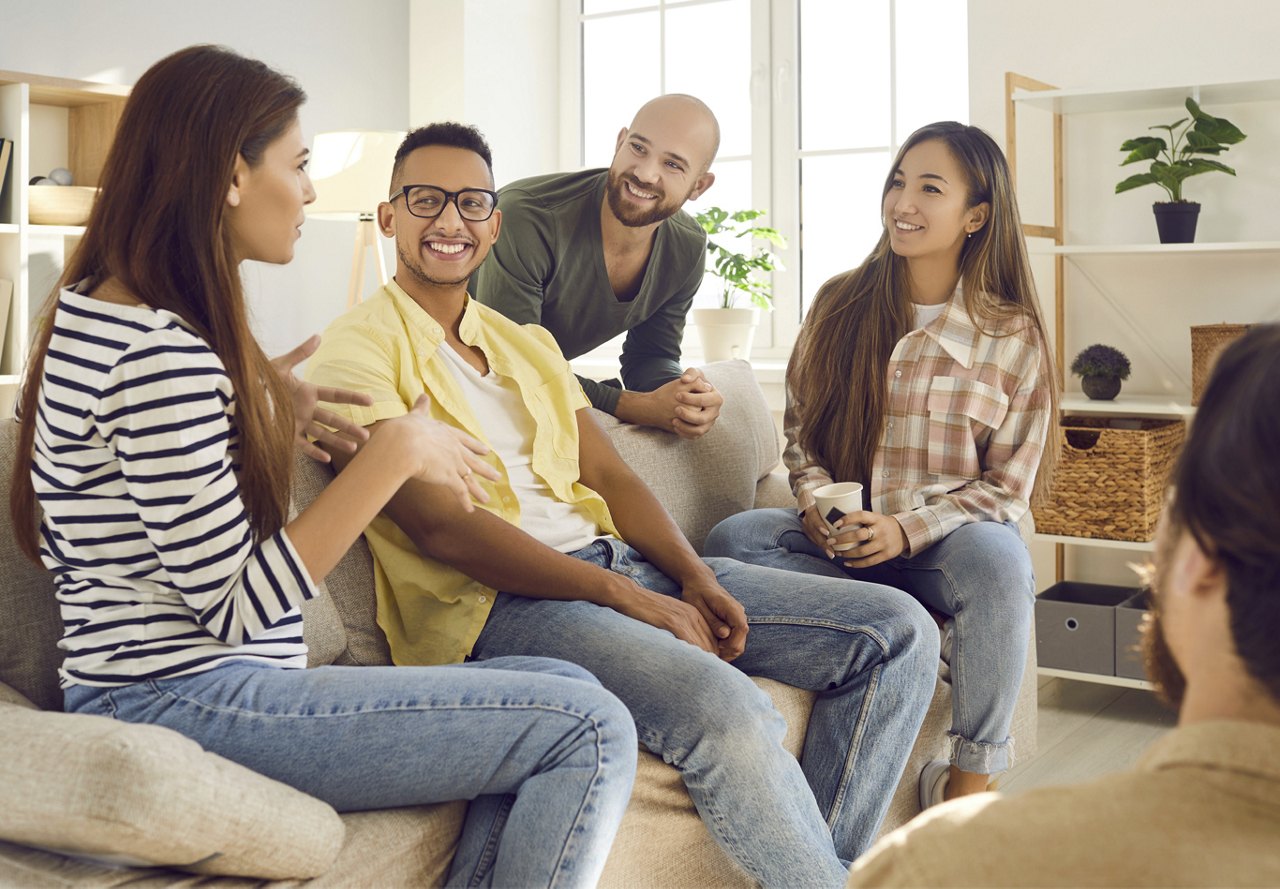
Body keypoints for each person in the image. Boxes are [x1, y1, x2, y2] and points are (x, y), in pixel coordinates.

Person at [9, 45, 638, 889]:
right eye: (298, 164)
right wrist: (391, 456)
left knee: (559, 680)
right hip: (190, 697)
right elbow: (234, 608)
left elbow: (122, 494)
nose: (309, 190)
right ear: (231, 173)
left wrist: (256, 414)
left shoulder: (94, 310)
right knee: (590, 724)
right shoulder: (162, 354)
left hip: (159, 686)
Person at [305, 121, 942, 886]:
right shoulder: (358, 347)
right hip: (502, 605)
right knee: (728, 709)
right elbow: (439, 525)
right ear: (389, 216)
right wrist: (628, 598)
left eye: (471, 202)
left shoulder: (525, 343)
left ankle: (823, 866)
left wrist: (695, 578)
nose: (450, 221)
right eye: (425, 200)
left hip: (624, 565)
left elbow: (612, 477)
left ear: (494, 224)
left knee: (896, 632)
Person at [846, 323, 1280, 887]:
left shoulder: (945, 866)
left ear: (1200, 564)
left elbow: (1004, 492)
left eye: (1171, 506)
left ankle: (968, 777)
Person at [704, 121, 1058, 807]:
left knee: (1001, 557)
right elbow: (802, 434)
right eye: (899, 181)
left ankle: (967, 784)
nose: (904, 201)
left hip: (942, 548)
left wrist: (906, 531)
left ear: (977, 215)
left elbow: (1009, 484)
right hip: (839, 550)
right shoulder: (841, 304)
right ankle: (900, 623)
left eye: (930, 187)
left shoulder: (1010, 333)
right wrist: (812, 504)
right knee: (732, 541)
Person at [470, 94, 724, 439]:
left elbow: (651, 355)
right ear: (620, 143)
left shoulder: (687, 248)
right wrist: (634, 405)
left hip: (524, 388)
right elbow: (514, 365)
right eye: (638, 148)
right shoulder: (527, 219)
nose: (646, 173)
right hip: (446, 378)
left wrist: (680, 395)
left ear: (699, 185)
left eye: (673, 165)